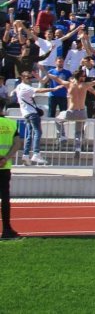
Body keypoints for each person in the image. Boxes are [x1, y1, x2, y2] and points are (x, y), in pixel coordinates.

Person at [14, 71, 61, 165]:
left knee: (29, 134)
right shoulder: (26, 87)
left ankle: (26, 155)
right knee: (38, 132)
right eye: (27, 77)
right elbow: (39, 90)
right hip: (32, 113)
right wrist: (53, 89)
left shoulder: (19, 86)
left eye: (30, 77)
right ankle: (36, 153)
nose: (29, 79)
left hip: (26, 114)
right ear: (22, 78)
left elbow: (15, 91)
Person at [0, 99, 23, 239]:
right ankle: (7, 229)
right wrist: (6, 158)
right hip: (4, 166)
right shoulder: (11, 124)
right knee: (5, 198)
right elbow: (17, 144)